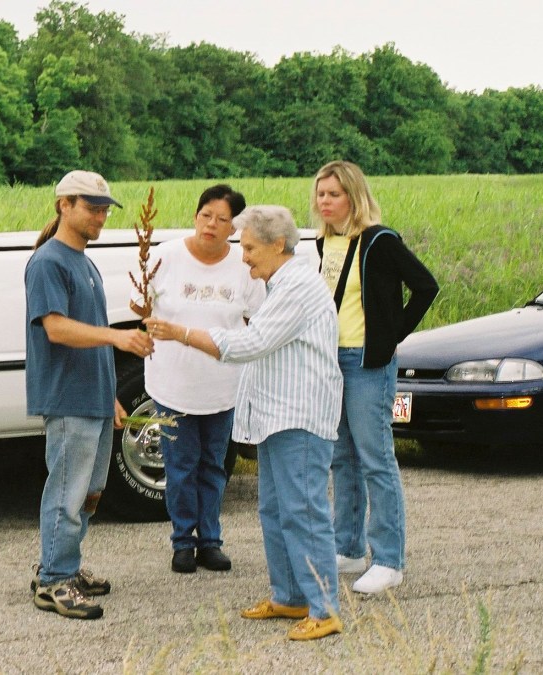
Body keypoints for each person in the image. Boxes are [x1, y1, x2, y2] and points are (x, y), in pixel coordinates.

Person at [145, 206, 344, 641]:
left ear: (277, 244)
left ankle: (325, 608)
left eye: (250, 247)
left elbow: (251, 343)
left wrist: (181, 333)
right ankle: (290, 596)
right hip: (277, 417)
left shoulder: (297, 286)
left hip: (300, 418)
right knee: (275, 510)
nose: (243, 256)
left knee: (304, 512)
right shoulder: (279, 283)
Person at [25, 170, 155, 620]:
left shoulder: (84, 260)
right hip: (67, 398)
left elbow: (89, 341)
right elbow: (57, 329)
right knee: (67, 490)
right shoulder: (49, 263)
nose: (101, 216)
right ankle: (53, 582)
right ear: (64, 205)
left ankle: (66, 566)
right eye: (92, 207)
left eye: (104, 208)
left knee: (90, 493)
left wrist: (110, 396)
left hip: (93, 397)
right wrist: (118, 339)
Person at [312, 160, 439, 595]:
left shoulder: (379, 241)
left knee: (375, 459)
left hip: (367, 363)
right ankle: (347, 549)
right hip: (330, 363)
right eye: (320, 194)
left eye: (334, 194)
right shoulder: (322, 243)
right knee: (340, 457)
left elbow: (426, 286)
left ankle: (389, 558)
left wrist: (390, 335)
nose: (324, 201)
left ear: (353, 196)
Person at [131, 185, 265, 574]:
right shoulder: (165, 257)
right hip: (173, 383)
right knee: (180, 465)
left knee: (213, 465)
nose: (212, 224)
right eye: (206, 215)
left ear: (235, 228)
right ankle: (182, 542)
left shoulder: (244, 267)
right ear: (195, 216)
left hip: (222, 385)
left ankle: (211, 541)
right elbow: (143, 305)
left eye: (222, 220)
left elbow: (258, 318)